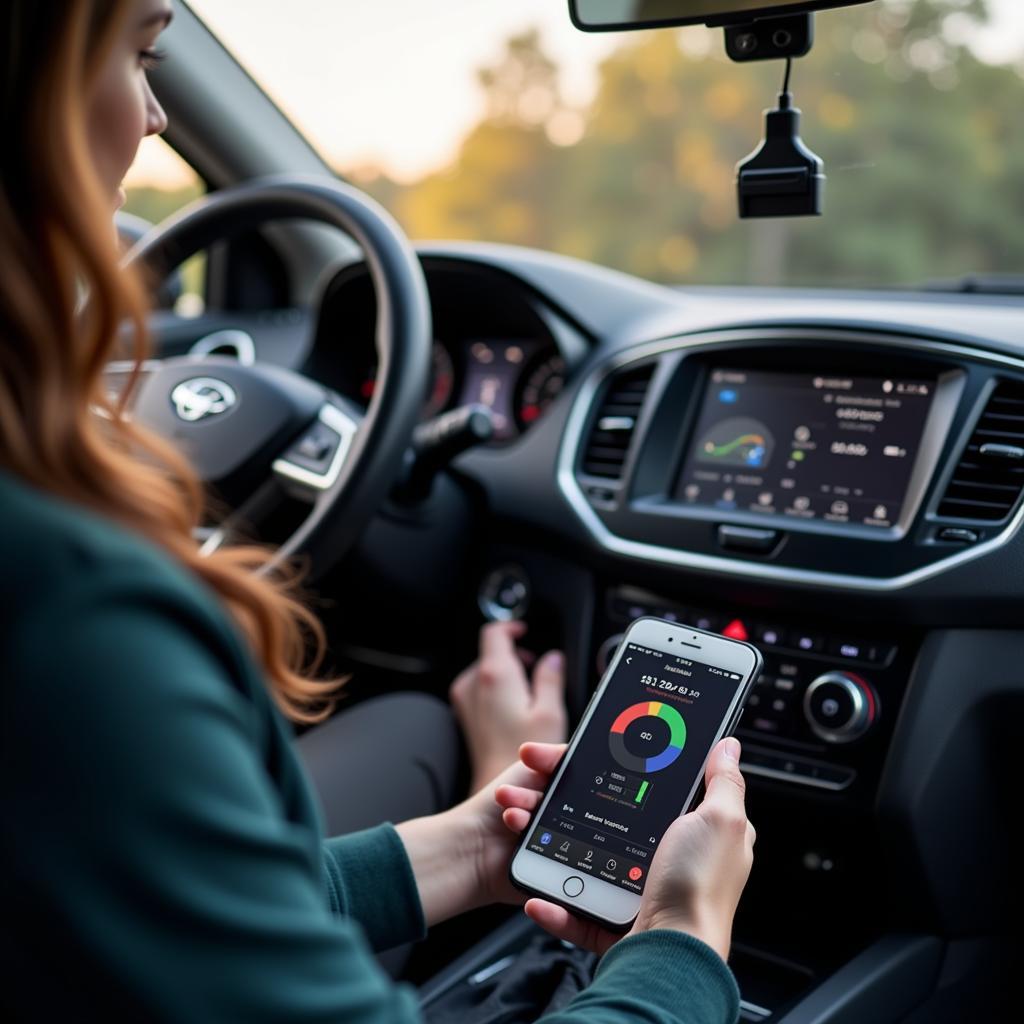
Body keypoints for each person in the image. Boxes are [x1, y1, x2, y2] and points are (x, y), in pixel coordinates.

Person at [0, 2, 756, 1022]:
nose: (154, 117)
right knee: (411, 716)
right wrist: (682, 940)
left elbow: (147, 887)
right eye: (138, 53)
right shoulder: (73, 616)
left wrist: (478, 844)